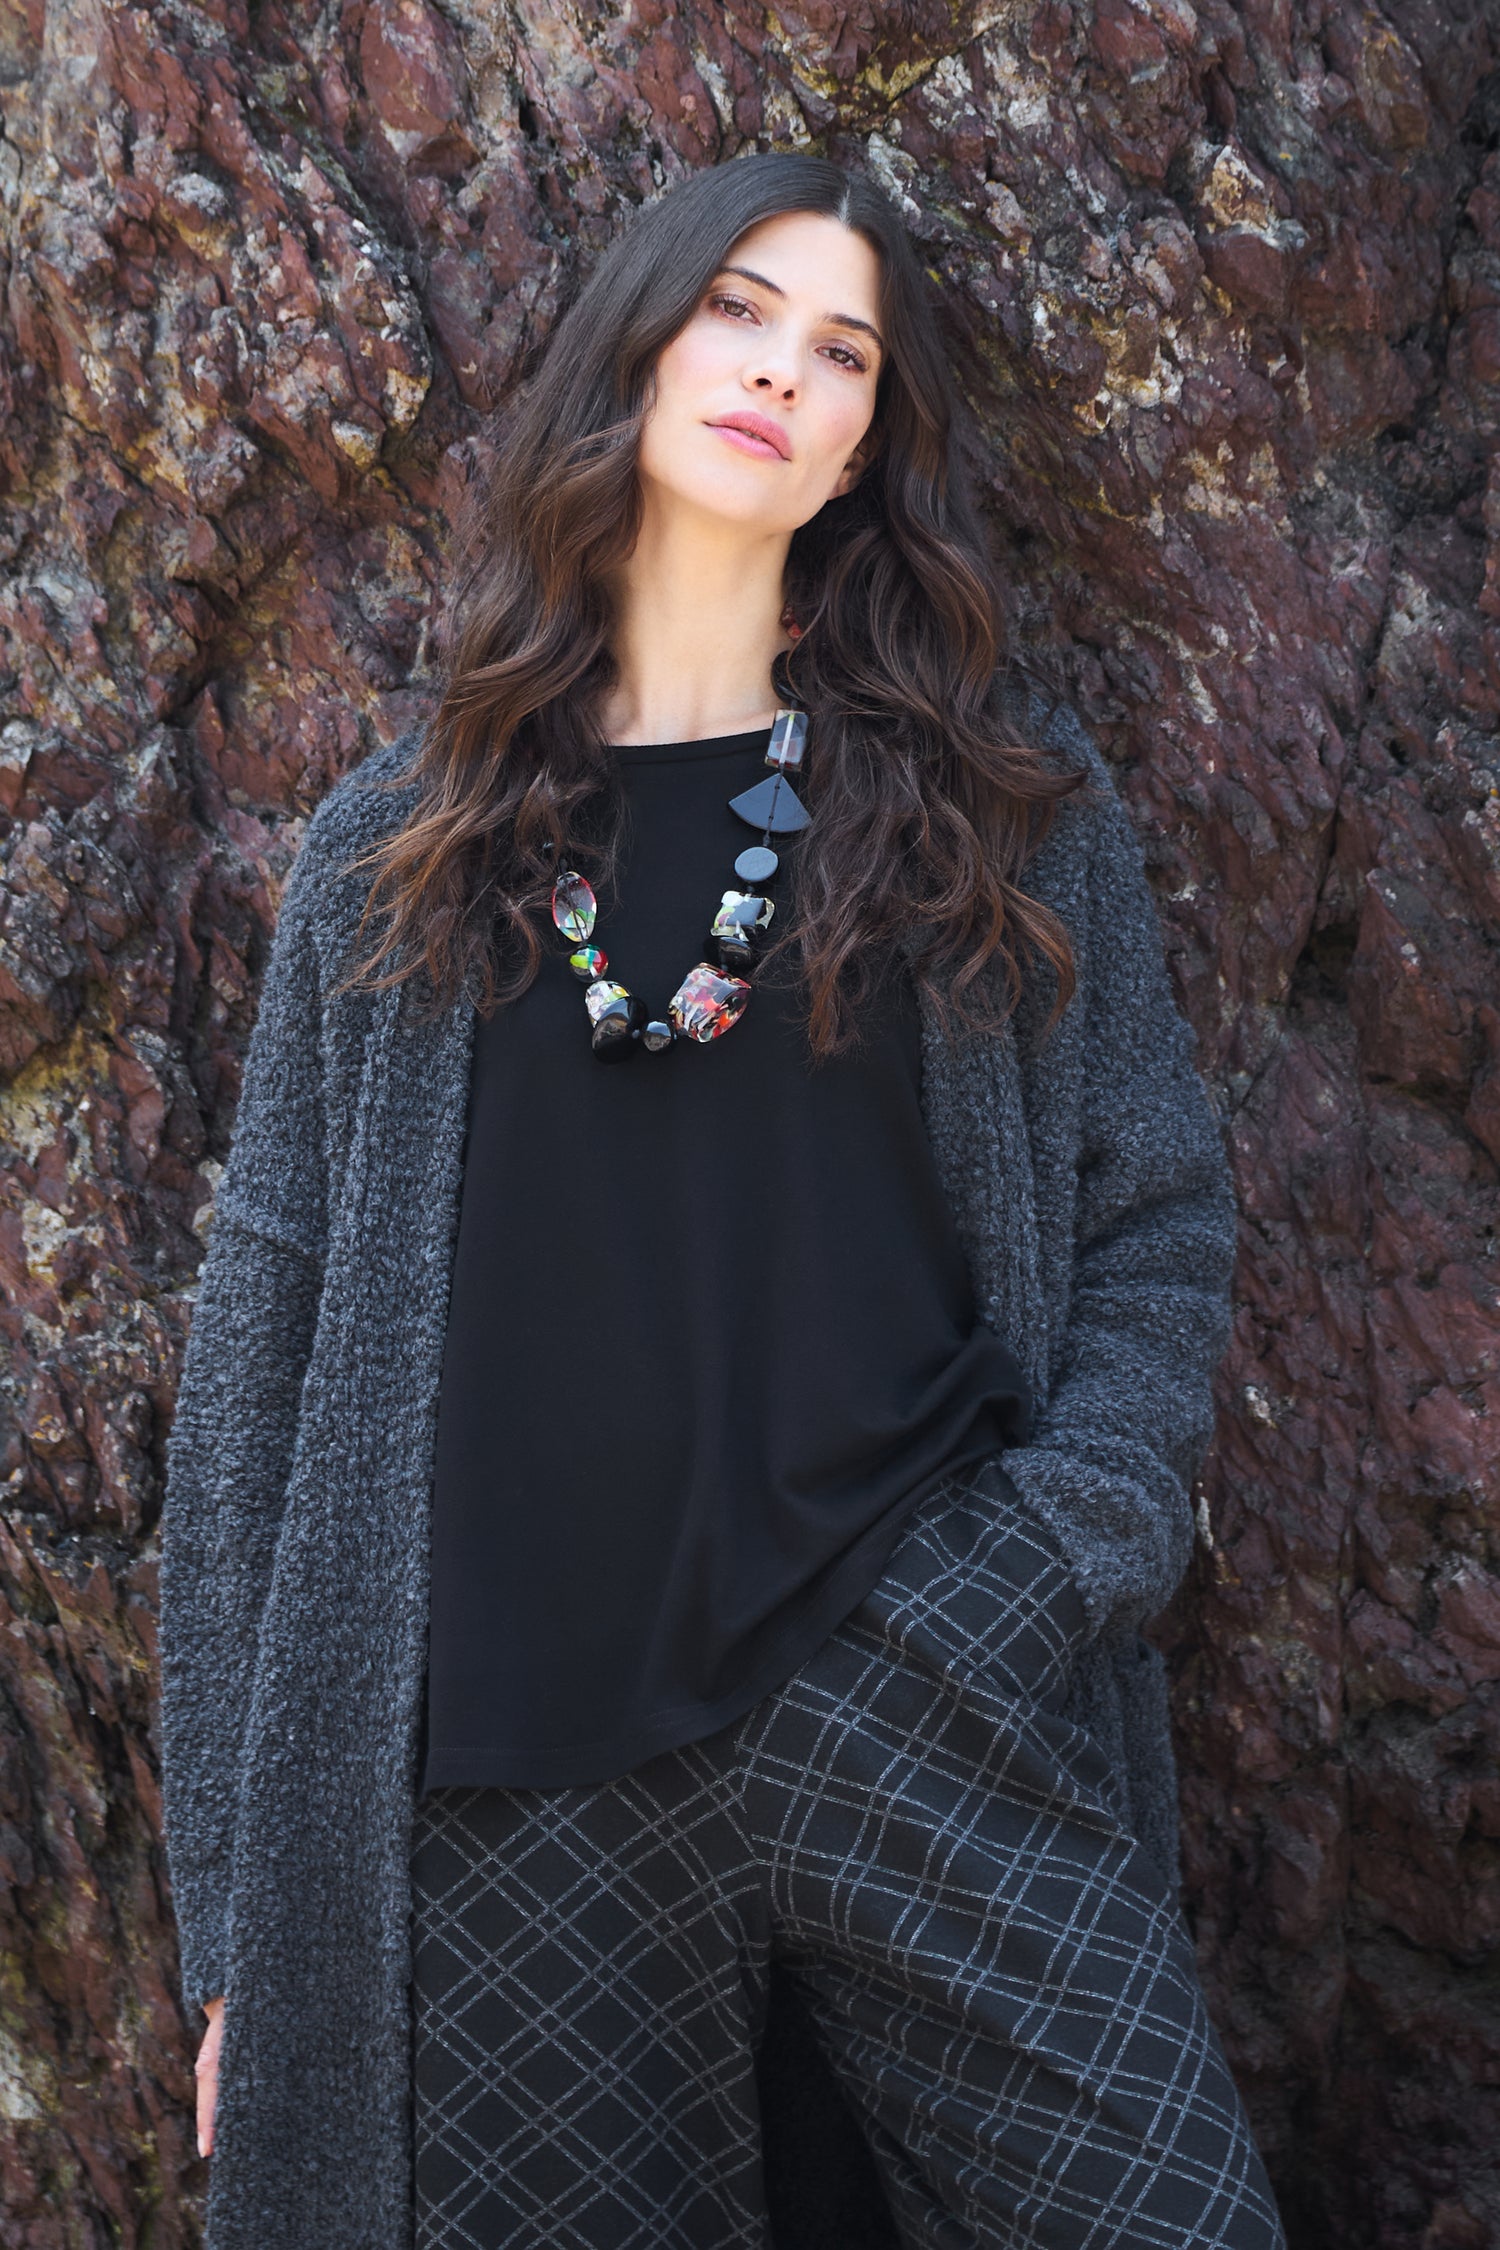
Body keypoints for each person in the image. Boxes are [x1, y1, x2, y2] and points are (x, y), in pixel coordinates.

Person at [160, 152, 1287, 2250]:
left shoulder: (993, 801)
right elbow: (259, 1378)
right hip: (511, 1792)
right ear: (641, 343)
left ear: (867, 445)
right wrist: (242, 1916)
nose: (781, 370)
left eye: (842, 351)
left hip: (915, 1687)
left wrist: (1044, 1566)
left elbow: (1156, 1211)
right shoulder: (399, 852)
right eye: (741, 311)